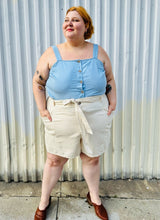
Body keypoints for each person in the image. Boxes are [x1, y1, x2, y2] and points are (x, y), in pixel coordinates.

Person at [33, 6, 116, 220]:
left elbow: (109, 79)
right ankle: (44, 202)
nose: (69, 23)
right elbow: (38, 83)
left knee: (92, 158)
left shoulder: (99, 51)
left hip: (95, 113)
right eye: (66, 19)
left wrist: (112, 102)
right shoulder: (51, 53)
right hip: (61, 114)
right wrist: (43, 110)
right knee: (54, 159)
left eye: (76, 20)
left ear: (86, 26)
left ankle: (94, 197)